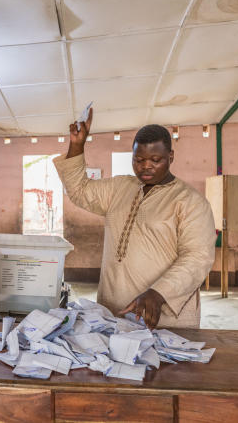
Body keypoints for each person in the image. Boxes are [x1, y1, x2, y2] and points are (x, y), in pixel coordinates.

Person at [53, 109, 215, 329]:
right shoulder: (120, 188)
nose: (146, 166)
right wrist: (77, 145)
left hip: (162, 317)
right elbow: (80, 191)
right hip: (113, 311)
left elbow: (198, 258)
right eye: (138, 160)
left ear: (171, 157)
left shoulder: (190, 201)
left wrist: (158, 294)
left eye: (155, 160)